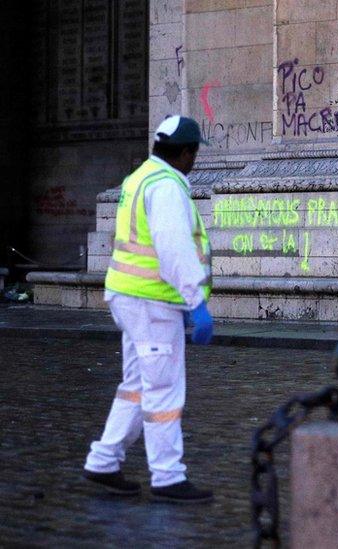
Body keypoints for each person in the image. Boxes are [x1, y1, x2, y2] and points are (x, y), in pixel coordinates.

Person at [82, 115, 215, 503]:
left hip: (131, 296)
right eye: (194, 154)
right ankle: (167, 477)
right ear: (187, 153)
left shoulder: (140, 178)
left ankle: (104, 461)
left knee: (138, 386)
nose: (194, 161)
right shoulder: (168, 187)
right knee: (163, 389)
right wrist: (196, 300)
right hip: (152, 303)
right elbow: (173, 246)